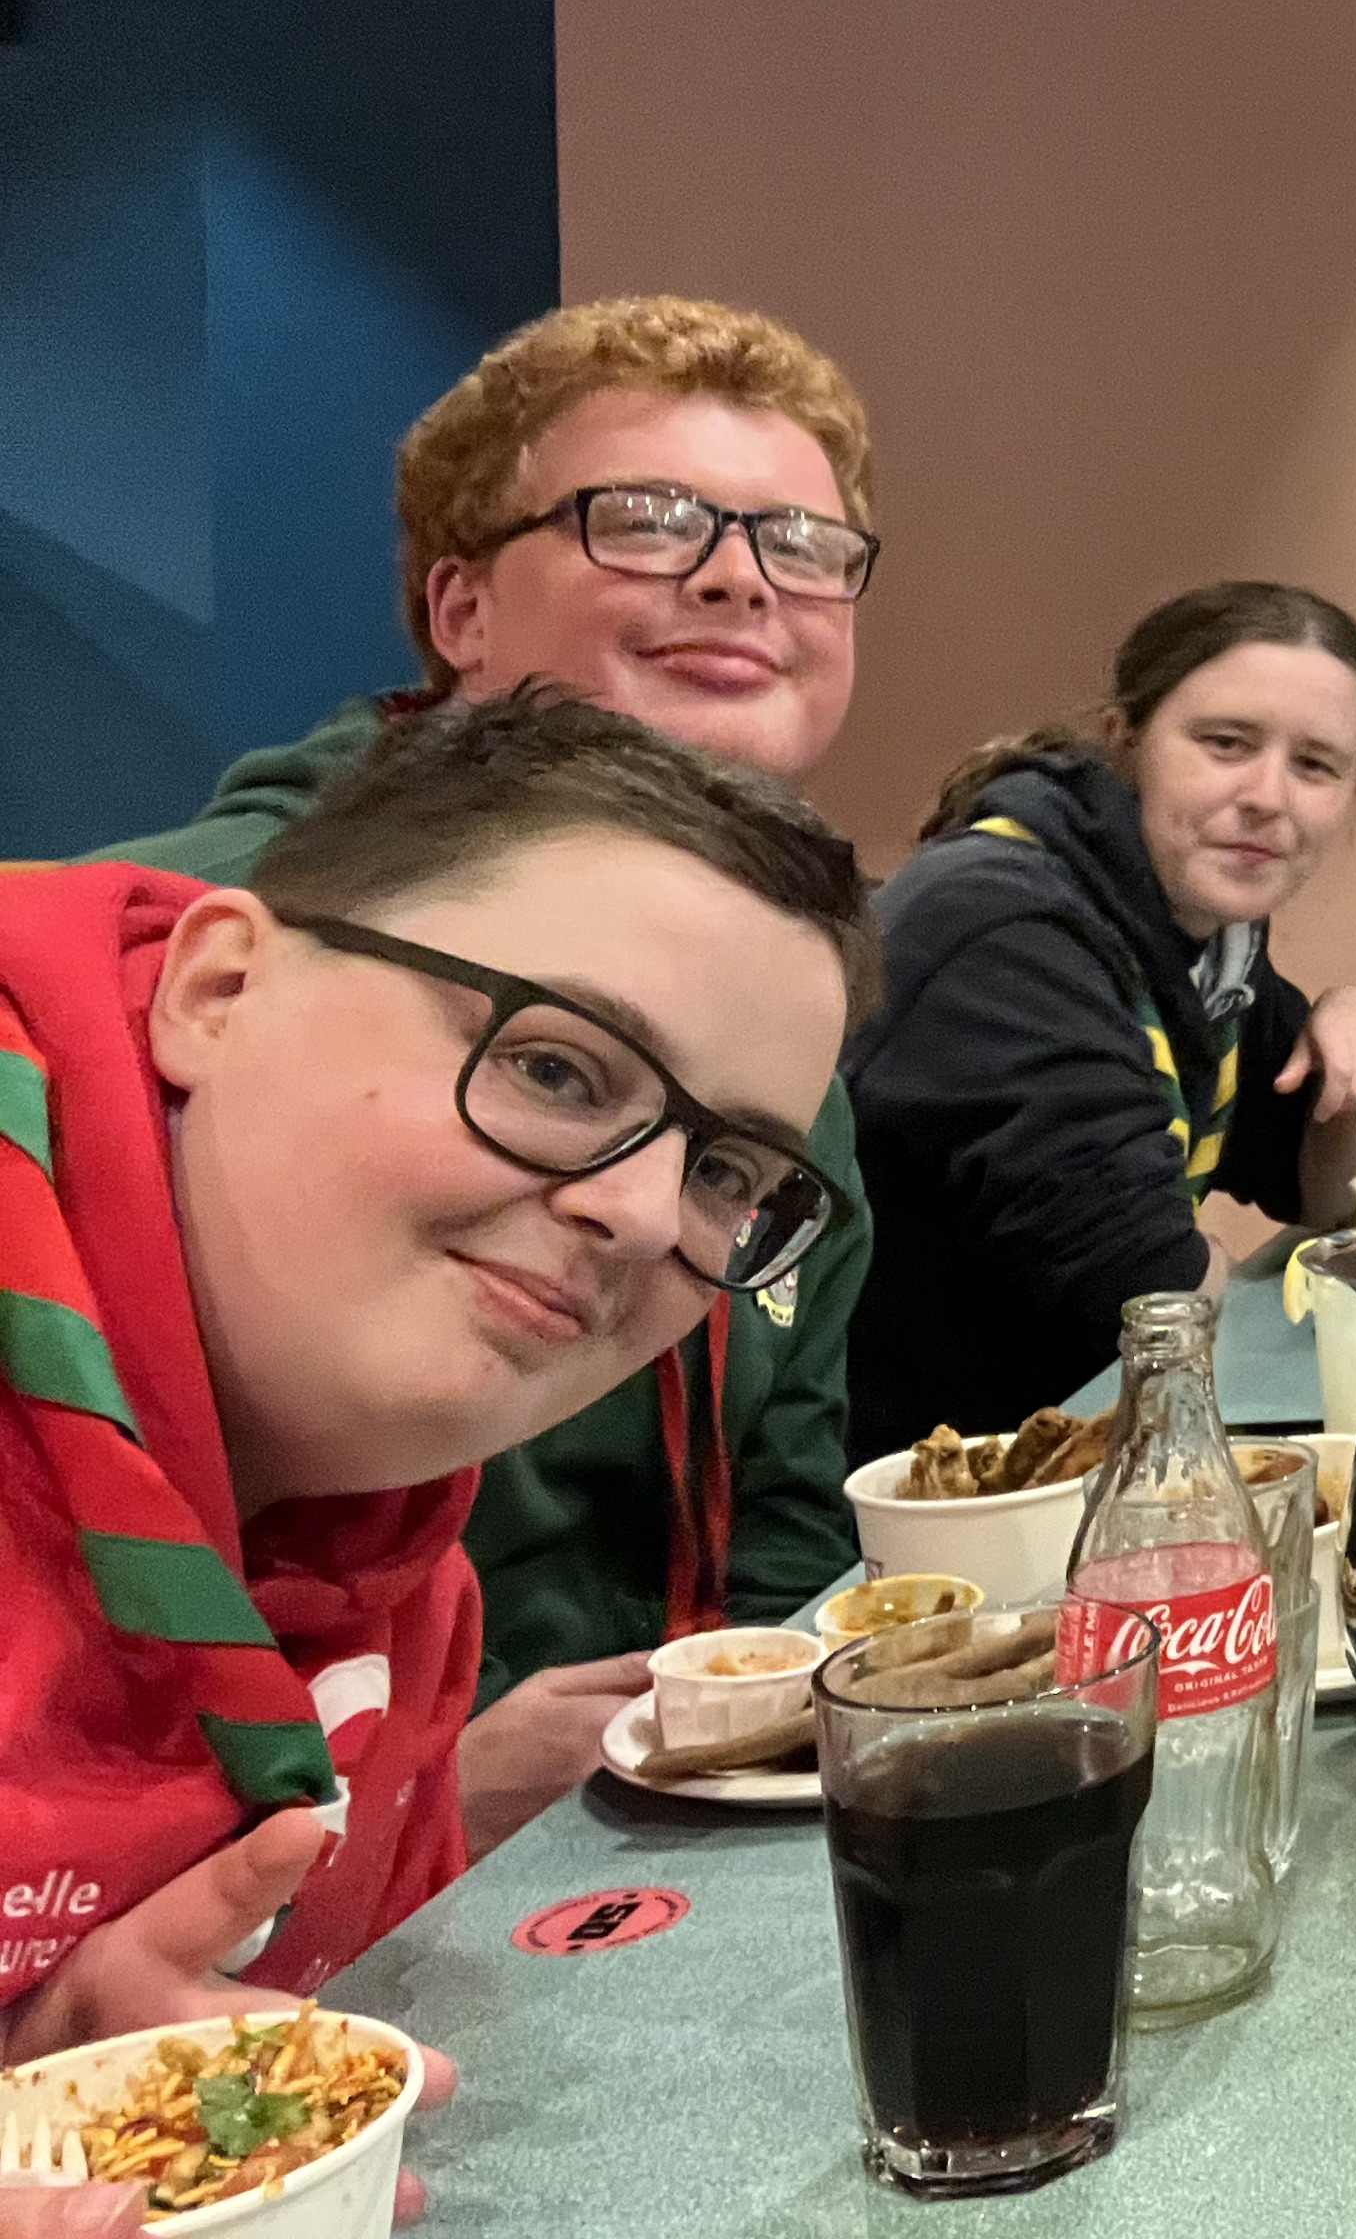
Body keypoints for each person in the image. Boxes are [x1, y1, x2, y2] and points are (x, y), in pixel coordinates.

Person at [90, 295, 884, 1851]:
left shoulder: (784, 1044)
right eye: (647, 521)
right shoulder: (182, 951)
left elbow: (790, 1487)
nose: (741, 577)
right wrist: (416, 1784)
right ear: (461, 610)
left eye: (804, 546)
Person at [1, 693, 871, 2063]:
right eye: (556, 1069)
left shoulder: (405, 1597)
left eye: (723, 1173)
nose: (643, 1213)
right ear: (218, 991)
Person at [846, 582, 1356, 1460]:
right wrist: (1201, 1262)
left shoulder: (1193, 925)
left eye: (1315, 765)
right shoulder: (1002, 928)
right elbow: (1154, 1296)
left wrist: (1351, 1029)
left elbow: (1325, 1196)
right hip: (922, 1493)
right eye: (1225, 744)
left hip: (1082, 1447)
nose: (1268, 796)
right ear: (1125, 741)